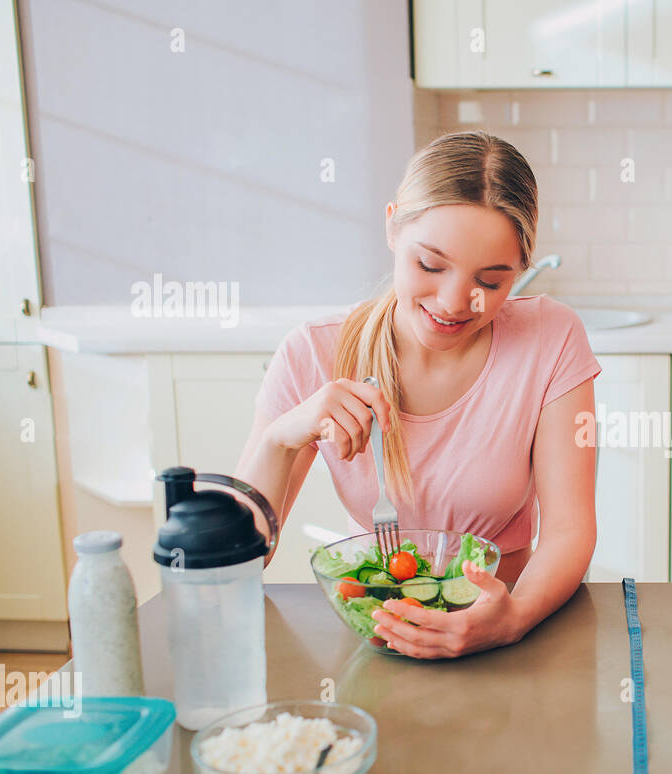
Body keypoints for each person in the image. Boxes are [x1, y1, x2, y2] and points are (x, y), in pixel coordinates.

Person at [236, 131, 600, 657]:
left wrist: (512, 620)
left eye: (492, 281)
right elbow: (243, 559)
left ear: (521, 268)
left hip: (511, 641)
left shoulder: (552, 338)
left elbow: (569, 530)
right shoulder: (312, 352)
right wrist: (280, 441)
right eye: (430, 266)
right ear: (392, 225)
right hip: (375, 639)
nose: (454, 302)